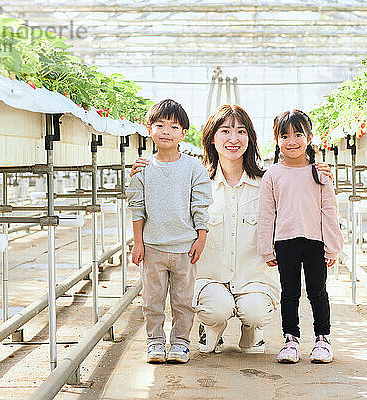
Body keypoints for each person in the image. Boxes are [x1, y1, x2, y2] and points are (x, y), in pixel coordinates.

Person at [130, 104, 334, 354]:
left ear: (250, 138)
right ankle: (212, 326)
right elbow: (161, 200)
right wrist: (147, 170)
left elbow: (303, 202)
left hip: (253, 281)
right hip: (210, 279)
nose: (233, 139)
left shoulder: (268, 182)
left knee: (255, 312)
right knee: (217, 309)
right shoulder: (195, 180)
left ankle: (253, 331)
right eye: (225, 131)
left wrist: (317, 173)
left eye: (241, 132)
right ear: (212, 139)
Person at [126, 99, 213, 364]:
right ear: (148, 128)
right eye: (160, 125)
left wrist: (201, 236)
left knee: (183, 301)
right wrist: (138, 243)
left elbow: (200, 205)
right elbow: (137, 207)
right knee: (152, 300)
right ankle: (154, 342)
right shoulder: (143, 169)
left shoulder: (193, 168)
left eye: (174, 127)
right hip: (153, 248)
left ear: (183, 133)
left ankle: (180, 343)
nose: (166, 131)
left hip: (184, 248)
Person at [257, 109, 343, 364]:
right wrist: (266, 248)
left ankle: (322, 339)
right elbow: (266, 213)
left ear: (309, 137)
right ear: (277, 140)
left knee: (318, 291)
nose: (291, 141)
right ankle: (291, 340)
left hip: (315, 241)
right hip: (285, 242)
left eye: (298, 134)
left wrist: (333, 246)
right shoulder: (273, 174)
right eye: (284, 135)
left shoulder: (320, 173)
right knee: (289, 293)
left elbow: (329, 210)